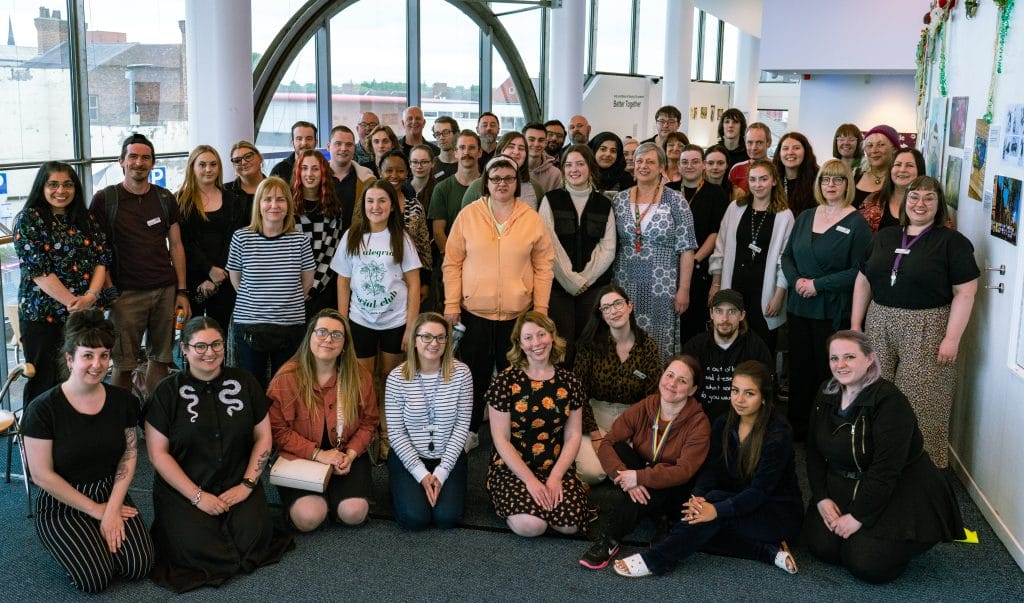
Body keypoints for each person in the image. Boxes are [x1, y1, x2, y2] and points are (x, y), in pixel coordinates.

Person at [611, 360, 803, 578]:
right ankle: (767, 552)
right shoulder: (724, 423)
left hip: (776, 512)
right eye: (735, 391)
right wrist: (697, 498)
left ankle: (656, 559)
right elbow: (712, 470)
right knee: (701, 521)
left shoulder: (778, 435)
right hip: (740, 500)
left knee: (707, 520)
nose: (739, 400)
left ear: (764, 398)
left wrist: (716, 510)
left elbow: (759, 491)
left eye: (749, 394)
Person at [801, 331, 964, 584]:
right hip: (846, 480)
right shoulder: (826, 392)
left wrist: (857, 518)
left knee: (866, 563)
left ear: (869, 360)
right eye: (834, 358)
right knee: (823, 548)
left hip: (900, 487)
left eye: (849, 357)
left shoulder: (891, 402)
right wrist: (822, 498)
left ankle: (907, 539)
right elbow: (812, 450)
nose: (840, 365)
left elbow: (885, 471)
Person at [145, 316, 293, 592]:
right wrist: (197, 497)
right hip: (184, 489)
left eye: (216, 344)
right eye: (200, 347)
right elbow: (157, 455)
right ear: (185, 350)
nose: (210, 353)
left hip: (237, 480)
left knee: (252, 543)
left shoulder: (246, 382)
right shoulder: (166, 393)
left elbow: (263, 439)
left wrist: (247, 486)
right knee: (198, 552)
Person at [21, 310, 153, 593]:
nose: (98, 364)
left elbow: (129, 456)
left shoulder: (122, 401)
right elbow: (42, 476)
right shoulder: (42, 409)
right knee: (95, 580)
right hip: (62, 503)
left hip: (109, 491)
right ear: (70, 359)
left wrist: (113, 508)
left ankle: (95, 540)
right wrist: (99, 512)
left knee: (139, 566)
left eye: (104, 356)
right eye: (88, 355)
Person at [851, 176, 979, 468]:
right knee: (875, 394)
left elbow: (965, 292)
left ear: (939, 205)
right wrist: (856, 325)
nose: (920, 204)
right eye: (914, 197)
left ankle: (923, 471)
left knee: (921, 401)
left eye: (929, 198)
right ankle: (879, 464)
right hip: (879, 320)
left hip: (927, 326)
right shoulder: (885, 237)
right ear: (904, 202)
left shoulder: (952, 242)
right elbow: (863, 280)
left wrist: (952, 338)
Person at [442, 156, 554, 451]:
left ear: (517, 183)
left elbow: (544, 266)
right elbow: (452, 262)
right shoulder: (468, 215)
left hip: (518, 315)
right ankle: (469, 430)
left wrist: (540, 309)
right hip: (475, 312)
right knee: (473, 375)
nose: (502, 183)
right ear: (486, 183)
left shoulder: (531, 218)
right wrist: (451, 303)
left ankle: (514, 432)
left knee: (516, 376)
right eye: (496, 178)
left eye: (508, 178)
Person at [580, 355, 711, 570]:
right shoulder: (645, 406)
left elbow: (684, 471)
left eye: (682, 381)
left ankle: (610, 539)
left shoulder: (699, 422)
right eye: (669, 375)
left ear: (693, 390)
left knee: (662, 477)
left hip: (676, 488)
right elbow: (607, 443)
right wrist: (624, 475)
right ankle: (660, 518)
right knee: (619, 448)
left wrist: (639, 477)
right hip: (644, 474)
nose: (672, 384)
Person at [89, 133, 189, 394]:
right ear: (121, 161)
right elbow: (97, 250)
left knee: (161, 359)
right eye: (132, 157)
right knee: (123, 364)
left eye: (145, 157)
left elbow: (176, 246)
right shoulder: (105, 200)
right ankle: (123, 426)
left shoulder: (165, 198)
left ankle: (154, 422)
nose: (139, 162)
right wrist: (110, 291)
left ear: (153, 163)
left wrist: (181, 291)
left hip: (164, 291)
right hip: (126, 295)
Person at [781, 160, 872, 439]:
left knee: (827, 372)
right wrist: (796, 280)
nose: (830, 185)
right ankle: (796, 426)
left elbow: (859, 271)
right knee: (798, 369)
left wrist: (818, 285)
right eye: (825, 180)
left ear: (847, 184)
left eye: (837, 180)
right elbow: (787, 257)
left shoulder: (858, 224)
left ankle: (824, 431)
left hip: (831, 311)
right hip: (799, 307)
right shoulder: (807, 215)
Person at [267, 309, 379, 531]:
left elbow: (369, 422)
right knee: (308, 518)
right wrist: (319, 455)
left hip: (345, 453)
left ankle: (336, 496)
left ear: (345, 344)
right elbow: (278, 431)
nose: (328, 339)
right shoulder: (286, 379)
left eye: (337, 335)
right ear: (310, 336)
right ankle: (320, 499)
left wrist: (351, 454)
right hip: (301, 456)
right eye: (322, 332)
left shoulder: (360, 376)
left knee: (354, 513)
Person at [14, 162, 111, 405]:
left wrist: (90, 296)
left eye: (68, 184)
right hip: (43, 317)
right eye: (53, 184)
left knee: (85, 375)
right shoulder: (29, 220)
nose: (61, 190)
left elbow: (102, 258)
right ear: (42, 187)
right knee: (44, 381)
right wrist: (74, 303)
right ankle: (36, 438)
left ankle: (76, 437)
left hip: (85, 313)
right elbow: (39, 270)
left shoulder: (84, 218)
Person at [485, 312, 589, 536]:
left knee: (569, 524)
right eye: (528, 338)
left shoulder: (570, 381)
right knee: (532, 527)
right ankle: (518, 505)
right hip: (513, 467)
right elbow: (500, 440)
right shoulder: (505, 382)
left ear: (552, 337)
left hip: (555, 464)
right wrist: (531, 482)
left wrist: (555, 478)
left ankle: (542, 505)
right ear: (520, 344)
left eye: (541, 334)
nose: (536, 343)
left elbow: (573, 436)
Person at [333, 180, 421, 445]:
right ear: (364, 205)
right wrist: (342, 323)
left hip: (395, 321)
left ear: (392, 206)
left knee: (389, 379)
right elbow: (343, 281)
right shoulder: (353, 236)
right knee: (363, 381)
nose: (376, 206)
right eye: (370, 201)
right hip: (361, 320)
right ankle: (365, 431)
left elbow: (414, 283)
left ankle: (386, 432)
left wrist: (410, 326)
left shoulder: (401, 237)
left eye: (382, 200)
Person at [612, 142, 698, 366]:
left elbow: (687, 247)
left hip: (663, 287)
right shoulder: (619, 200)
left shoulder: (676, 200)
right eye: (639, 161)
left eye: (650, 161)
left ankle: (660, 395)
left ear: (662, 167)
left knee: (658, 342)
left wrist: (684, 289)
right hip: (625, 283)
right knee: (625, 337)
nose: (643, 166)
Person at [384, 313, 472, 529]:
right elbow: (396, 433)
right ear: (414, 340)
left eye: (441, 338)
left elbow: (461, 426)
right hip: (410, 456)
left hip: (448, 455)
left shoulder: (462, 373)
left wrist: (441, 473)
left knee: (447, 518)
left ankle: (430, 487)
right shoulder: (397, 378)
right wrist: (422, 475)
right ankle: (404, 486)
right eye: (427, 337)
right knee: (415, 519)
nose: (434, 343)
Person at [227, 176, 315, 388]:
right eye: (267, 199)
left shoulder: (300, 240)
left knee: (286, 388)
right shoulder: (241, 237)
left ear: (289, 205)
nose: (274, 205)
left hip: (290, 326)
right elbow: (236, 281)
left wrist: (284, 304)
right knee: (252, 387)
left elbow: (307, 281)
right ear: (259, 204)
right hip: (249, 326)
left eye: (280, 199)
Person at [572, 285, 661, 484]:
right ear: (601, 315)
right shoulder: (589, 346)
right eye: (606, 308)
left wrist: (637, 431)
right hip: (596, 417)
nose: (614, 311)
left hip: (632, 420)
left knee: (647, 463)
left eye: (618, 303)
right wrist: (595, 436)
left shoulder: (647, 346)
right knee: (591, 473)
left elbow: (653, 396)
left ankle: (616, 468)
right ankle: (614, 468)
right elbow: (577, 393)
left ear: (629, 306)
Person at [537, 144, 616, 364]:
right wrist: (570, 279)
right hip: (558, 287)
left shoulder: (604, 204)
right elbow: (547, 243)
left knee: (590, 345)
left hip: (593, 288)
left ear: (590, 167)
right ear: (562, 169)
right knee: (560, 346)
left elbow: (608, 247)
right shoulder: (550, 199)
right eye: (568, 164)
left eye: (580, 164)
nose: (574, 169)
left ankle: (585, 396)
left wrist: (584, 280)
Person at [710, 159, 794, 357]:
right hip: (735, 285)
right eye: (753, 179)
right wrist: (715, 284)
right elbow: (720, 248)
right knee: (731, 345)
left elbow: (786, 259)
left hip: (765, 291)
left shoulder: (784, 216)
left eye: (763, 179)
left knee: (761, 349)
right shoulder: (735, 208)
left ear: (774, 181)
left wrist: (779, 296)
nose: (758, 184)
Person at [176, 145, 248, 330]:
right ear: (192, 167)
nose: (208, 169)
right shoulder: (179, 201)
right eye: (202, 165)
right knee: (193, 336)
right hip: (193, 281)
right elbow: (183, 243)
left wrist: (218, 273)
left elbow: (235, 241)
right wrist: (207, 270)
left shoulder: (234, 200)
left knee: (224, 335)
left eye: (213, 164)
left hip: (226, 279)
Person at [682, 289, 772, 420]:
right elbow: (683, 389)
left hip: (742, 421)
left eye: (732, 311)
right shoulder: (695, 346)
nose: (725, 318)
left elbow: (766, 392)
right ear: (711, 313)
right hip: (700, 421)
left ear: (742, 315)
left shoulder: (756, 348)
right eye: (719, 311)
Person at [671, 144, 729, 344]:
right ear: (678, 165)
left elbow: (716, 232)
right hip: (668, 266)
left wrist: (694, 258)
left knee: (693, 325)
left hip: (700, 267)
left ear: (703, 164)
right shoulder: (667, 191)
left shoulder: (716, 193)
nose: (689, 166)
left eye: (695, 161)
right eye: (684, 162)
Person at [293, 149, 351, 316]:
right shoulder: (288, 207)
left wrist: (311, 289)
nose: (309, 174)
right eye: (304, 168)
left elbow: (330, 255)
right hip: (289, 290)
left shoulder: (334, 209)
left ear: (323, 172)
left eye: (315, 168)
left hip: (321, 289)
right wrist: (295, 289)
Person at [378, 150, 433, 299]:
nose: (394, 175)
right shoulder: (369, 204)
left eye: (400, 171)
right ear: (380, 172)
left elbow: (424, 247)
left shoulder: (415, 206)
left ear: (407, 173)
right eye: (389, 170)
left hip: (410, 282)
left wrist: (425, 283)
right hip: (376, 281)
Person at [461, 131, 545, 210]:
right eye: (511, 146)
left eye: (521, 148)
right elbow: (465, 221)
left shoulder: (536, 188)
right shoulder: (477, 186)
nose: (516, 152)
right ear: (499, 151)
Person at [859, 147, 927, 233]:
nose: (902, 170)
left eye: (909, 165)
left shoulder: (931, 203)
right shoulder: (873, 200)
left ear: (919, 171)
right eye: (898, 165)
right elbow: (859, 233)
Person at [772, 132, 820, 217]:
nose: (790, 152)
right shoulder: (771, 179)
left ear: (806, 152)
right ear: (779, 153)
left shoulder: (818, 180)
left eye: (796, 148)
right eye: (785, 148)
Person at [853, 124, 899, 208]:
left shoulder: (899, 179)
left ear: (894, 149)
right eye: (870, 145)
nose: (874, 150)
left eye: (881, 145)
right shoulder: (855, 175)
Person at [727, 122, 772, 196]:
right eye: (750, 142)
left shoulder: (778, 167)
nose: (754, 148)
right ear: (745, 141)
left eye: (759, 143)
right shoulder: (736, 169)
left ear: (769, 142)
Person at [225, 140, 265, 210]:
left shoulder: (277, 188)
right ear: (234, 166)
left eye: (248, 156)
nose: (243, 163)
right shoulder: (224, 192)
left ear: (260, 157)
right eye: (237, 160)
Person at [523, 122, 562, 194]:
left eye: (541, 140)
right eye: (531, 139)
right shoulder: (513, 169)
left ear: (546, 143)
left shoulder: (555, 174)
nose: (536, 144)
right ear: (523, 141)